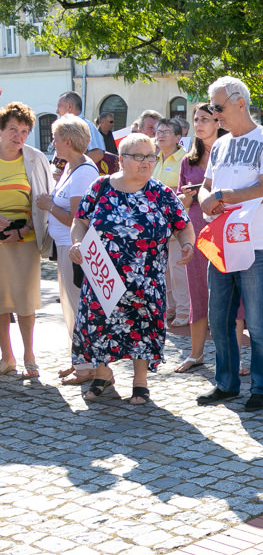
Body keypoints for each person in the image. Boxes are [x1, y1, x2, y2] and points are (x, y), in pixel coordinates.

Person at [69, 133, 194, 404]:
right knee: (99, 325)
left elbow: (183, 226)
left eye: (150, 156)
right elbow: (80, 221)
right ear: (122, 160)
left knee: (142, 327)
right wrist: (77, 243)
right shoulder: (100, 187)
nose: (146, 162)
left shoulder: (161, 192)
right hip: (103, 274)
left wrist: (187, 245)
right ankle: (102, 375)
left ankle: (140, 381)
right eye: (138, 156)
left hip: (145, 279)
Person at [196, 76, 263, 413]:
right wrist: (206, 198)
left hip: (256, 243)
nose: (214, 113)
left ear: (239, 102)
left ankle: (262, 388)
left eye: (217, 107)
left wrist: (222, 197)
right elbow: (205, 185)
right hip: (220, 241)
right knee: (218, 319)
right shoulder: (219, 145)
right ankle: (227, 383)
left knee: (259, 323)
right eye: (211, 108)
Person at [174, 103, 247, 374]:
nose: (199, 123)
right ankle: (196, 353)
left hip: (226, 228)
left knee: (231, 294)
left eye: (205, 118)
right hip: (196, 228)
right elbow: (180, 200)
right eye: (196, 119)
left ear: (218, 122)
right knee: (197, 291)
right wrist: (187, 197)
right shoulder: (187, 160)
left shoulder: (232, 154)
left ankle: (236, 357)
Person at [36, 115, 100, 385]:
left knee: (77, 307)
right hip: (65, 247)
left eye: (55, 138)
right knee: (71, 307)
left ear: (69, 141)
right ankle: (80, 361)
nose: (52, 143)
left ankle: (87, 367)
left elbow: (78, 218)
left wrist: (49, 205)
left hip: (75, 249)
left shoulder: (84, 171)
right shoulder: (72, 167)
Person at [0, 102, 54, 378]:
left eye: (23, 131)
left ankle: (29, 354)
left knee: (24, 300)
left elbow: (43, 199)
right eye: (12, 129)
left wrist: (22, 230)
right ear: (1, 130)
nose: (18, 136)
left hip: (26, 238)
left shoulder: (34, 158)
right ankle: (7, 356)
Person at [153, 118, 190, 328]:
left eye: (166, 131)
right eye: (158, 131)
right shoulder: (154, 159)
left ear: (178, 137)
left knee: (178, 269)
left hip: (177, 225)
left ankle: (185, 311)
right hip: (157, 226)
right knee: (163, 270)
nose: (161, 134)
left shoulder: (185, 159)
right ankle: (170, 308)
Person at [56, 92, 105, 165]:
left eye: (59, 106)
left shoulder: (86, 126)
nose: (57, 111)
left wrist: (71, 169)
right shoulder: (64, 128)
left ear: (70, 106)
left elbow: (97, 154)